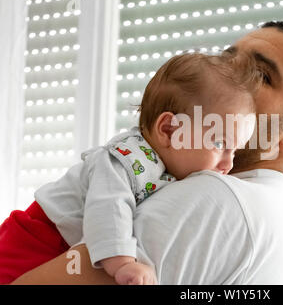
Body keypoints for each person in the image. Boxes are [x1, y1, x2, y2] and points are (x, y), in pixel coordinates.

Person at [9, 21, 283, 285]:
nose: (234, 79)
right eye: (228, 61)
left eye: (261, 74)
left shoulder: (217, 196)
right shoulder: (272, 216)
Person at [0, 52, 260, 285]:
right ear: (170, 130)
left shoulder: (166, 170)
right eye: (219, 142)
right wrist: (123, 263)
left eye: (234, 150)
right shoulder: (127, 159)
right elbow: (108, 208)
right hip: (32, 240)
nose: (229, 164)